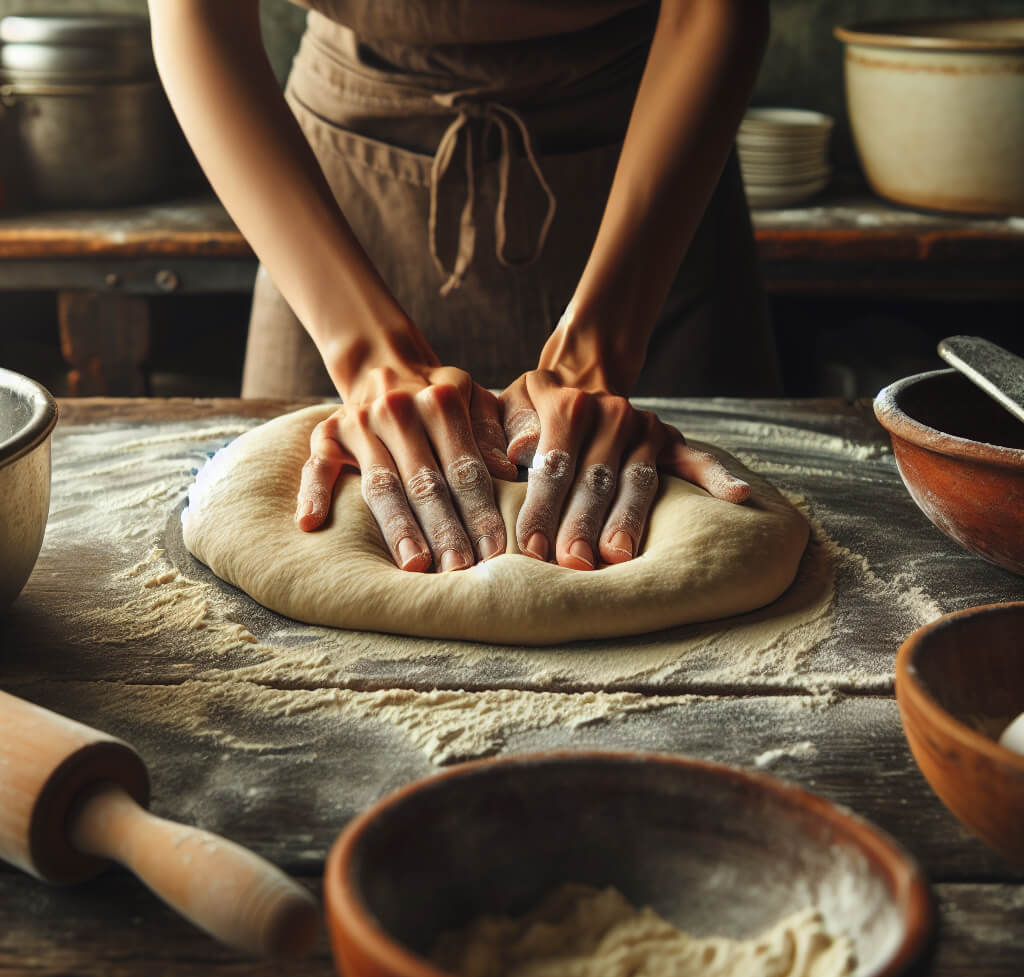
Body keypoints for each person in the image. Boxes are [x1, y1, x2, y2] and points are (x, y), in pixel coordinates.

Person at [149, 0, 780, 575]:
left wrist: (599, 352)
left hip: (653, 176)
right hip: (330, 210)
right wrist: (366, 357)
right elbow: (198, 15)